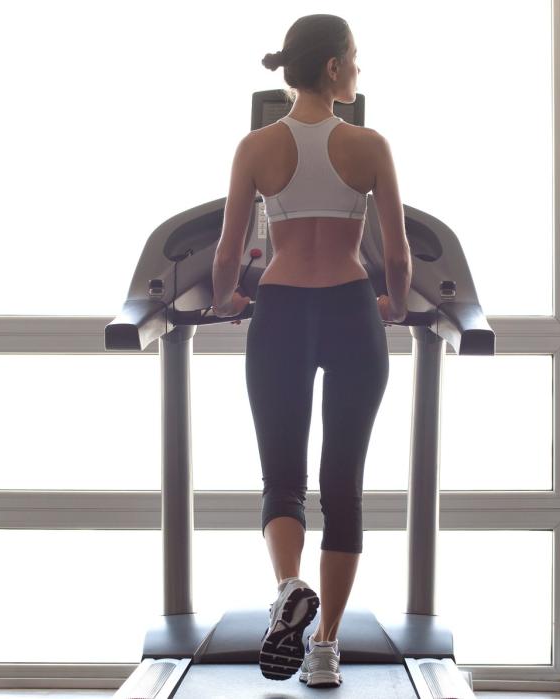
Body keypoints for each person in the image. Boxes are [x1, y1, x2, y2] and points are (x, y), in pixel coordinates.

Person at [209, 13, 412, 689]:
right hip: (353, 309)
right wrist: (393, 305)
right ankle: (324, 647)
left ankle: (290, 587)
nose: (358, 70)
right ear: (332, 68)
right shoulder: (371, 146)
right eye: (354, 59)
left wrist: (229, 300)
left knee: (282, 480)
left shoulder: (256, 148)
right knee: (343, 488)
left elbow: (229, 254)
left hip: (283, 310)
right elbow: (400, 258)